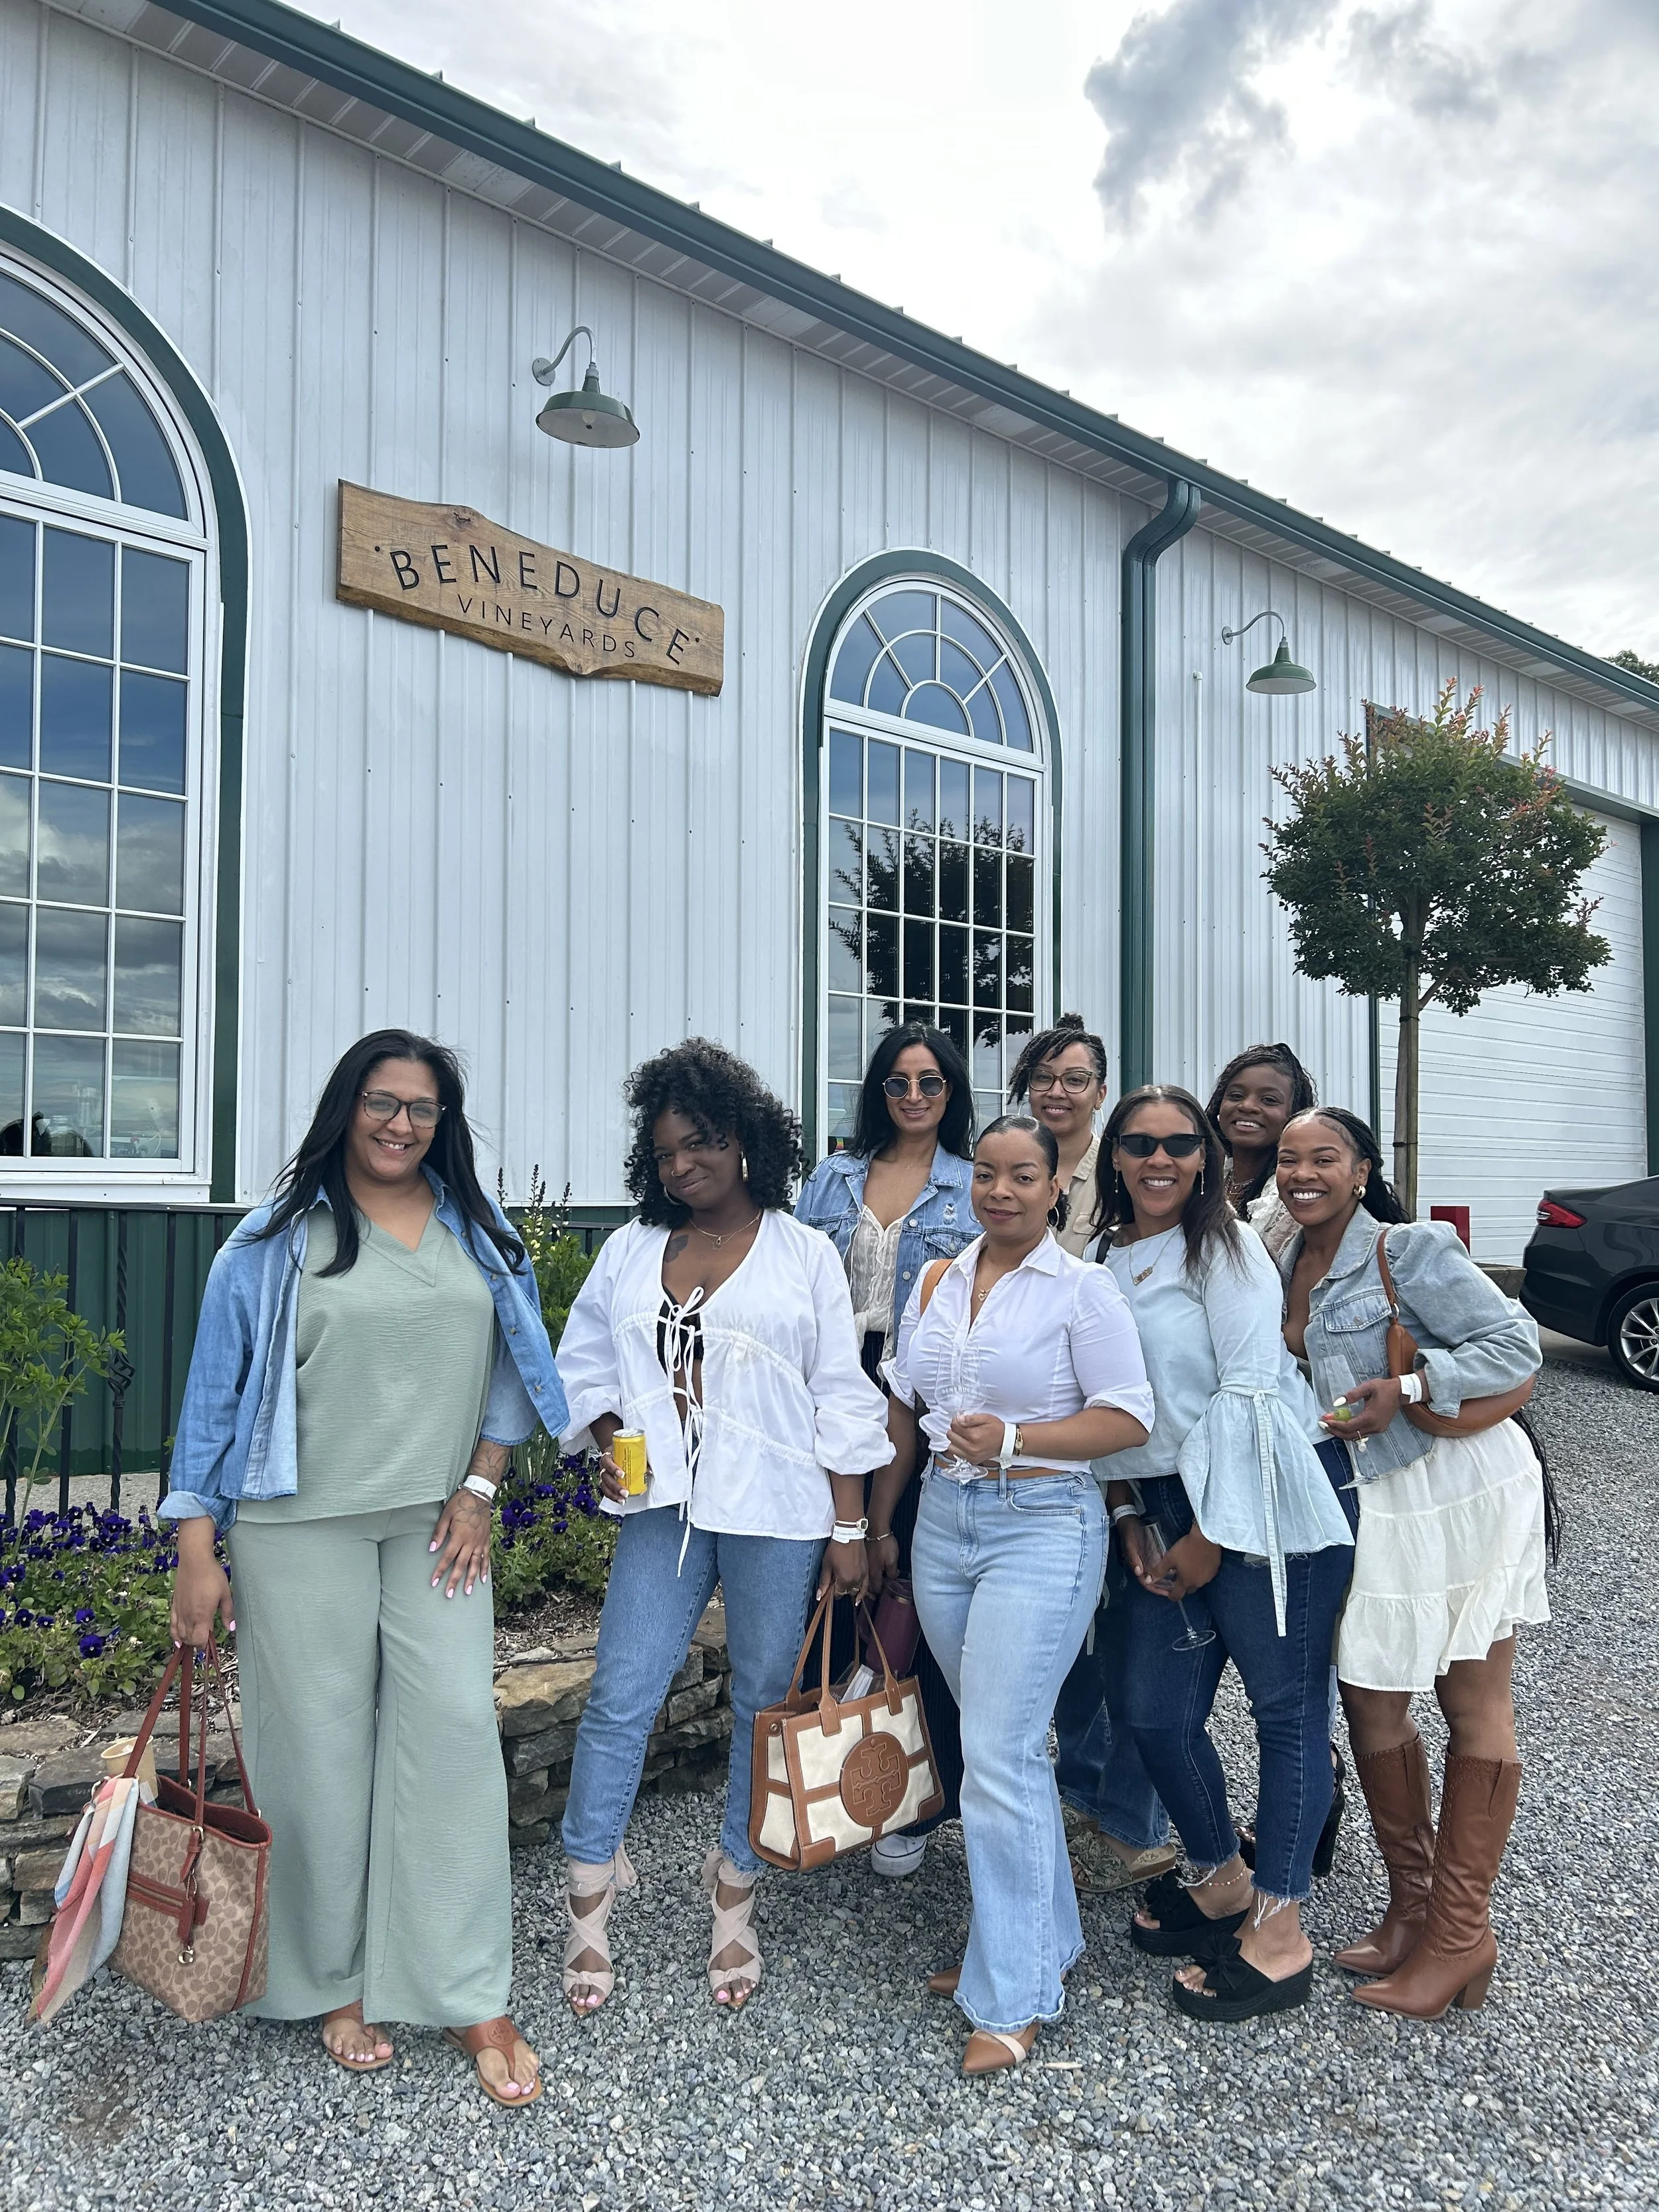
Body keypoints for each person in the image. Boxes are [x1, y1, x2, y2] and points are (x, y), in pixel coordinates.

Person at [164, 1029, 565, 2105]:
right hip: (298, 1532)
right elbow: (213, 1396)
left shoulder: (481, 1235)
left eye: (422, 1108)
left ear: (444, 1123)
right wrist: (196, 1545)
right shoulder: (273, 1239)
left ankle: (467, 1987)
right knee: (318, 1758)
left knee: (454, 1745)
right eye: (382, 1102)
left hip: (435, 1530)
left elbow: (516, 1373)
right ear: (347, 1106)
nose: (400, 1123)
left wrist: (481, 1484)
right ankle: (332, 1979)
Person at [555, 1039, 892, 2016]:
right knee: (622, 1691)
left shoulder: (804, 1254)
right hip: (664, 1511)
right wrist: (618, 1429)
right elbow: (583, 1363)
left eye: (699, 1144)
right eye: (664, 1152)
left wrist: (849, 1525)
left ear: (746, 1141)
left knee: (758, 1698)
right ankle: (588, 1888)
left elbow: (841, 1392)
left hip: (779, 1514)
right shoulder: (630, 1249)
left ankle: (734, 1884)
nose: (681, 1166)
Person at [885, 1114, 1155, 2075]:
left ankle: (1011, 1994)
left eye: (1023, 1176)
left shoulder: (1084, 1290)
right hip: (944, 1528)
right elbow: (909, 1407)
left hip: (1042, 1528)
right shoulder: (935, 1280)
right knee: (1004, 1751)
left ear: (1056, 1188)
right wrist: (871, 1522)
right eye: (987, 1175)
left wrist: (1011, 1440)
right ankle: (1042, 1944)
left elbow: (1128, 1418)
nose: (1000, 1191)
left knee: (997, 1753)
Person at [1275, 1106, 1548, 2018]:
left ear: (1360, 1171)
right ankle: (1414, 1907)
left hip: (1455, 1483)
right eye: (1288, 1159)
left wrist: (1414, 1385)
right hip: (1372, 1496)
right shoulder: (1287, 1261)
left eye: (1324, 1158)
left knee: (1472, 1699)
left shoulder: (1410, 1246)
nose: (1302, 1172)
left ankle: (1463, 1935)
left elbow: (1514, 1343)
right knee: (1372, 1696)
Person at [1092, 1085, 1356, 2024]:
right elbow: (1106, 1404)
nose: (1158, 1159)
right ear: (1113, 1156)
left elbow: (1250, 1392)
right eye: (1138, 1143)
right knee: (1154, 1711)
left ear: (1204, 1157)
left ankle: (1281, 1930)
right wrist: (1128, 1510)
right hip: (1157, 1504)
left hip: (1259, 1500)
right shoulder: (1097, 1256)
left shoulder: (1226, 1247)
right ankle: (1221, 1880)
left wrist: (1212, 1535)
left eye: (1178, 1142)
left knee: (1286, 1712)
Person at [795, 1020, 975, 1879]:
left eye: (929, 1083)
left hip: (922, 1396)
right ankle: (828, 1778)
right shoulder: (832, 1176)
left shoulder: (971, 1186)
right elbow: (792, 1283)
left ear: (951, 1092)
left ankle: (913, 1799)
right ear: (877, 1090)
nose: (912, 1097)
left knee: (915, 1600)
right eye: (898, 1082)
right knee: (824, 1587)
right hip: (828, 1390)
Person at [1008, 1019, 1177, 1897]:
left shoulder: (1128, 1180)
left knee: (1133, 1627)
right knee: (1066, 1631)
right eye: (1045, 1075)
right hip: (1035, 1438)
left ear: (1101, 1091)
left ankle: (1135, 1812)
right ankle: (1082, 1783)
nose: (1060, 1090)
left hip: (1118, 1428)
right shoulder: (1007, 1170)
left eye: (1076, 1077)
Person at [1204, 1043, 1318, 1258]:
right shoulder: (1206, 1178)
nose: (1247, 1106)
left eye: (1269, 1100)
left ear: (1294, 1114)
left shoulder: (1288, 1196)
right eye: (1236, 1096)